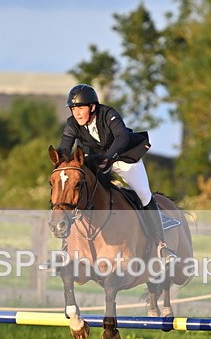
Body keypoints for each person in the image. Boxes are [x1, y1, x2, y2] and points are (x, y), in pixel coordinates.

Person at [57, 84, 175, 260]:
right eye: (73, 109)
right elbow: (65, 146)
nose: (77, 113)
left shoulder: (108, 114)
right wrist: (60, 163)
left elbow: (122, 137)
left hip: (123, 157)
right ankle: (66, 249)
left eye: (80, 108)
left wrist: (109, 158)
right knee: (78, 194)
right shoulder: (72, 124)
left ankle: (161, 246)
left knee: (144, 194)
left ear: (92, 107)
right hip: (98, 161)